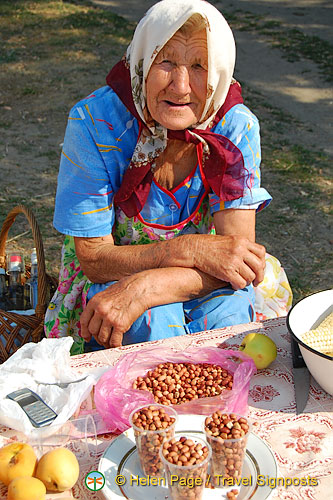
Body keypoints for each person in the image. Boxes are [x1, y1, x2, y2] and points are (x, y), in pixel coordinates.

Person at [44, 0, 292, 354]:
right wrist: (184, 249)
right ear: (143, 62)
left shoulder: (235, 127)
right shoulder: (95, 122)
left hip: (203, 275)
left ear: (220, 71)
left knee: (231, 318)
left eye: (198, 66)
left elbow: (237, 260)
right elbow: (95, 259)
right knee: (150, 325)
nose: (180, 86)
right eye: (167, 62)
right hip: (112, 277)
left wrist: (147, 287)